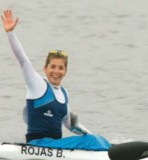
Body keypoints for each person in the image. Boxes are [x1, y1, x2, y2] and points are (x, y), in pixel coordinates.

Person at [1, 9, 111, 151]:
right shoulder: (37, 85)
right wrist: (10, 34)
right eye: (52, 67)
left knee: (96, 139)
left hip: (55, 146)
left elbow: (71, 125)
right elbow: (23, 60)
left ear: (65, 71)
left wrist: (91, 136)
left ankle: (105, 148)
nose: (56, 72)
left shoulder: (64, 93)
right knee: (93, 141)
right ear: (45, 68)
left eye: (60, 68)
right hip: (38, 145)